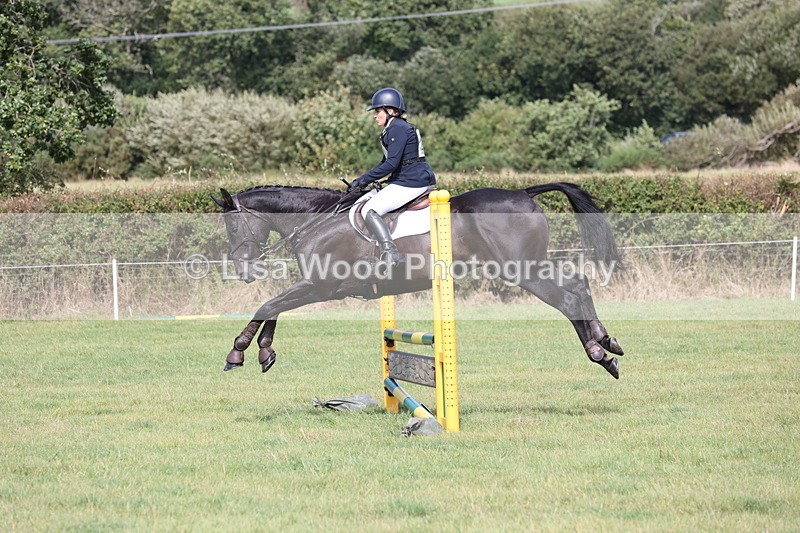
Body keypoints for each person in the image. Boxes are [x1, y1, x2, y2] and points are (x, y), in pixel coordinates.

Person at [348, 88, 436, 267]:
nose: (374, 115)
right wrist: (365, 179)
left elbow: (391, 164)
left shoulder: (397, 128)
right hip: (407, 180)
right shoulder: (393, 128)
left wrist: (363, 180)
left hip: (412, 182)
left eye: (377, 111)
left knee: (369, 210)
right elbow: (385, 162)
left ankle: (391, 253)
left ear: (391, 111)